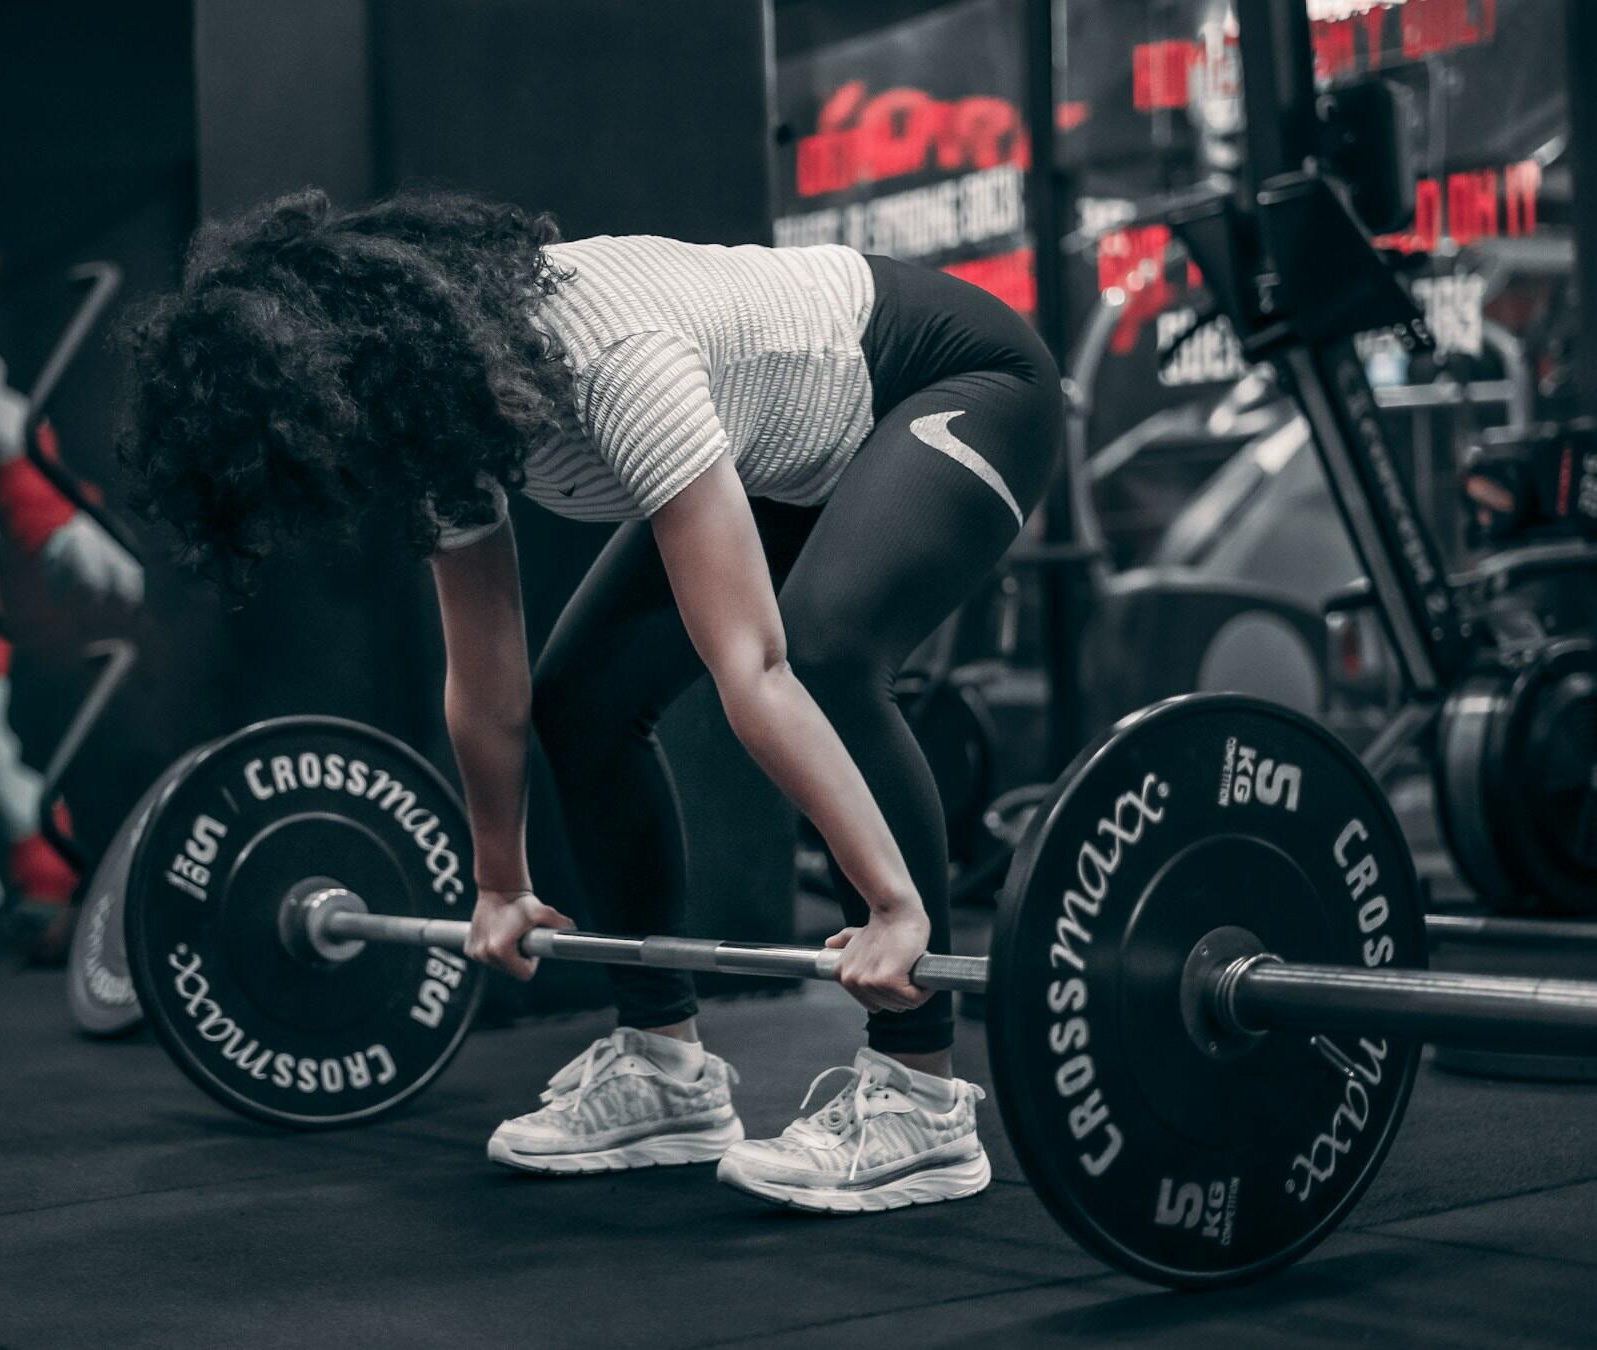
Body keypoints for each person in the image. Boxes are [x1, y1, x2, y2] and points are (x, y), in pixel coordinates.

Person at [121, 187, 1059, 1213]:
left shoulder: (613, 358)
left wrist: (894, 905)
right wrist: (497, 882)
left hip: (960, 384)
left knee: (828, 657)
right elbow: (490, 683)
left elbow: (754, 667)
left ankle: (921, 1095)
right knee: (586, 699)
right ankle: (665, 1071)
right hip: (795, 454)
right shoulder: (440, 425)